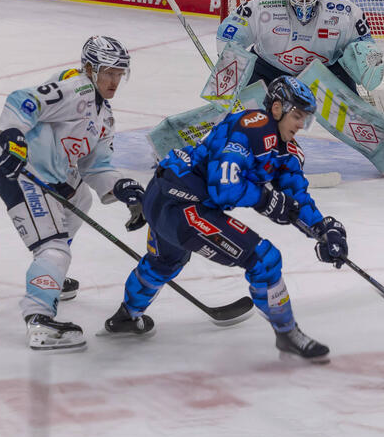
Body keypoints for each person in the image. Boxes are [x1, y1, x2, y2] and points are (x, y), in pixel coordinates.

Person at [101, 76, 349, 363]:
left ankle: (126, 316)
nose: (300, 125)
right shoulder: (251, 127)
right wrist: (267, 200)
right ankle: (287, 332)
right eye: (296, 116)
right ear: (278, 108)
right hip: (180, 204)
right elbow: (224, 189)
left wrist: (322, 229)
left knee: (164, 263)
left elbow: (296, 198)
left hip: (165, 196)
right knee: (265, 259)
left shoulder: (286, 151)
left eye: (305, 119)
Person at [0, 35, 148, 351]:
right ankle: (39, 320)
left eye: (119, 73)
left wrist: (122, 188)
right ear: (89, 67)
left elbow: (95, 165)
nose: (114, 81)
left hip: (51, 172)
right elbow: (22, 100)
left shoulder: (105, 115)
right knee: (54, 247)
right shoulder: (77, 88)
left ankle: (49, 275)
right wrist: (13, 137)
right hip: (20, 168)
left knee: (80, 200)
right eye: (108, 72)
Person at [217, 0, 384, 97]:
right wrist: (229, 55)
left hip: (324, 75)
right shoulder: (264, 5)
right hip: (269, 70)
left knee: (346, 81)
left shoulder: (345, 11)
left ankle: (352, 106)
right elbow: (233, 28)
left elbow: (364, 41)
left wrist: (368, 56)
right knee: (242, 86)